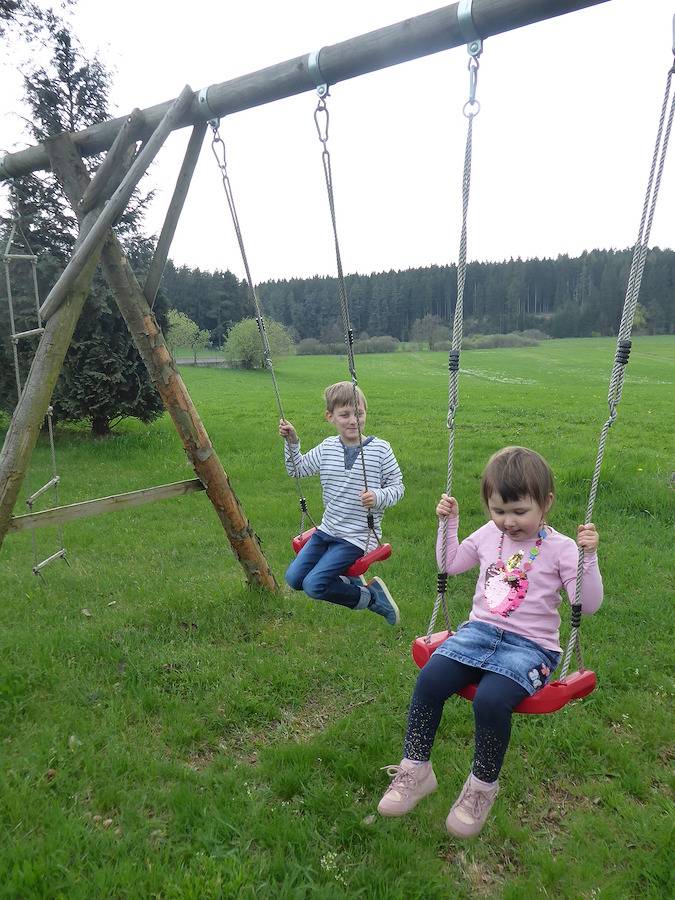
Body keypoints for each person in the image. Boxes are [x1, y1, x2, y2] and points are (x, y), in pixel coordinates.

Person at [377, 446, 603, 837]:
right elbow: (449, 564)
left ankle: (480, 788)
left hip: (530, 647)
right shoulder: (486, 535)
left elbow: (589, 604)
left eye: (519, 512)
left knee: (491, 700)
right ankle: (416, 769)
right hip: (478, 633)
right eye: (499, 511)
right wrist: (449, 525)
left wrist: (589, 558)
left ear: (545, 503)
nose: (508, 522)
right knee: (430, 680)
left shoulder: (563, 549)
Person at [279, 381, 404, 625]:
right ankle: (351, 584)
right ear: (330, 417)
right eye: (345, 415)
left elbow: (398, 487)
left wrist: (378, 497)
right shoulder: (327, 448)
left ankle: (370, 598)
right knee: (294, 579)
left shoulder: (380, 450)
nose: (353, 421)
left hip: (357, 537)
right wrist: (292, 442)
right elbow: (298, 469)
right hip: (327, 531)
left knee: (314, 585)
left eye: (359, 413)